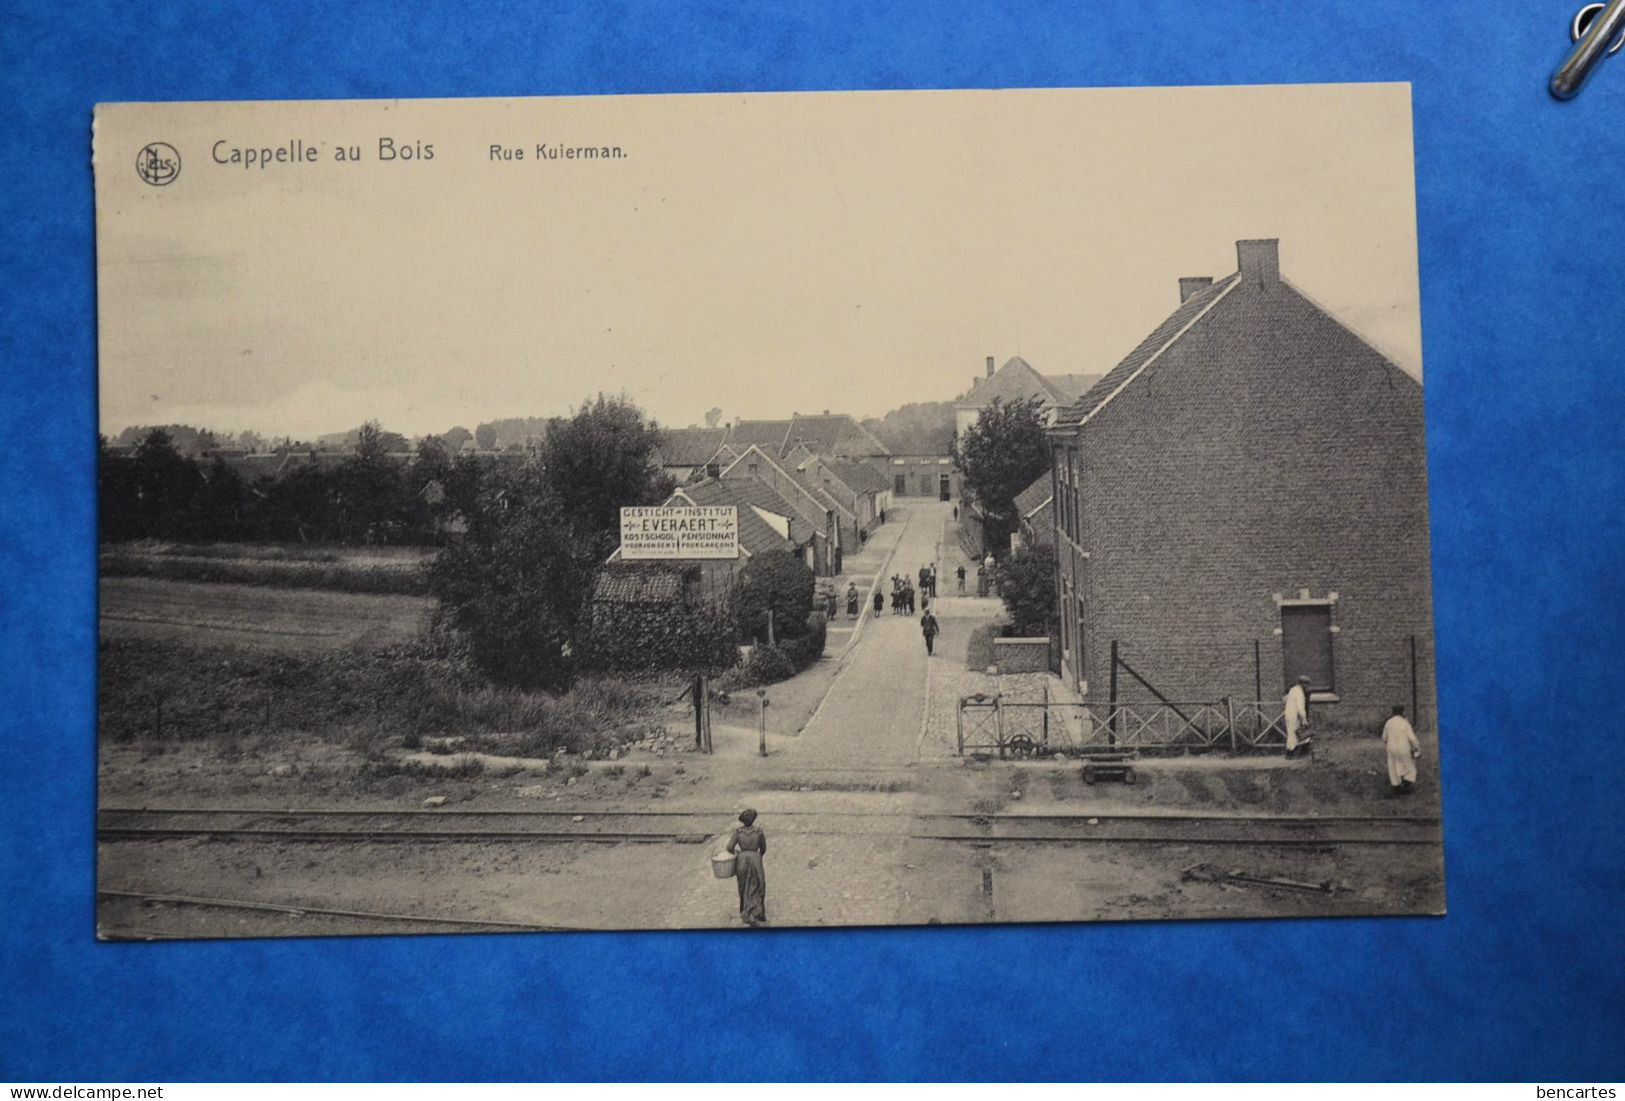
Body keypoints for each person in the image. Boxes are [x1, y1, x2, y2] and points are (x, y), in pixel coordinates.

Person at [726, 808, 768, 925]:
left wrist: (739, 853)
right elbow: (763, 848)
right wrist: (757, 856)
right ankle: (758, 912)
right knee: (758, 885)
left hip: (742, 859)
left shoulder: (738, 832)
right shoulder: (759, 832)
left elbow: (729, 847)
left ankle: (745, 910)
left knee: (743, 885)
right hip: (756, 858)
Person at [1381, 705, 1422, 796]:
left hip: (1391, 747)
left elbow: (1384, 738)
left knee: (1393, 766)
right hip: (1404, 747)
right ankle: (1407, 784)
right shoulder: (1405, 723)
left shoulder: (1388, 722)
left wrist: (1390, 743)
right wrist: (1417, 748)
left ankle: (1396, 786)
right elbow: (1412, 738)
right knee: (1409, 765)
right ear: (1402, 712)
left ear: (1392, 712)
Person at [1283, 674, 1312, 756]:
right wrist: (1304, 719)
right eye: (1307, 684)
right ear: (1303, 683)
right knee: (1294, 734)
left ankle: (1291, 753)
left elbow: (1285, 699)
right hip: (1294, 716)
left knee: (1291, 734)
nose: (1307, 686)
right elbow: (1300, 708)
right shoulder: (1299, 692)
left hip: (1289, 714)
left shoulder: (1293, 689)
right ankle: (1291, 753)